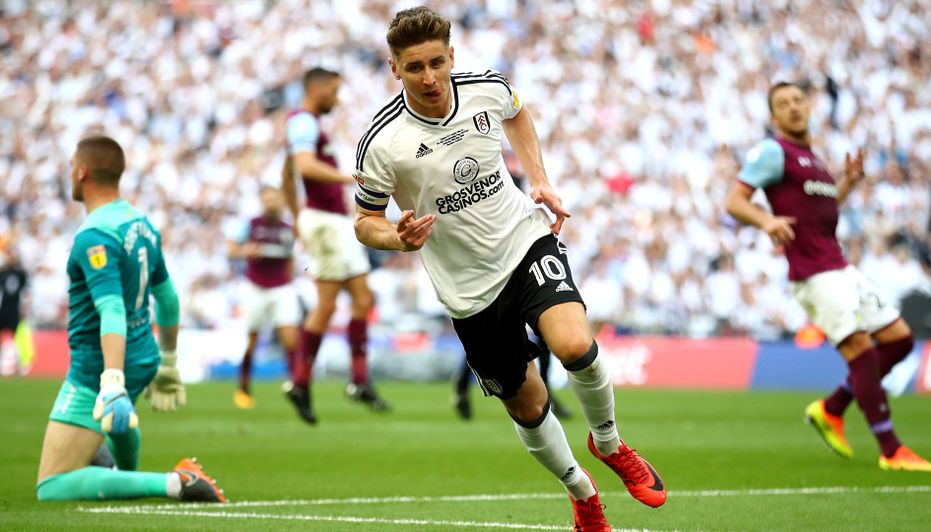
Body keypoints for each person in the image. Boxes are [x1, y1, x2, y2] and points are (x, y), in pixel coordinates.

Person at [352, 7, 666, 530]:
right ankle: (582, 493)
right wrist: (398, 238)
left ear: (452, 57)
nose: (429, 77)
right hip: (469, 290)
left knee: (575, 347)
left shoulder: (488, 88)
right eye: (414, 68)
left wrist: (538, 178)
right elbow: (365, 221)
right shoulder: (382, 142)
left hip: (524, 243)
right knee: (527, 402)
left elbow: (517, 114)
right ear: (395, 69)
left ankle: (609, 444)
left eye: (436, 62)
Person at [725, 82, 931, 472]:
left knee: (899, 340)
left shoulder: (813, 158)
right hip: (814, 274)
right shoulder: (774, 151)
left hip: (840, 268)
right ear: (773, 117)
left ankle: (832, 407)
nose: (793, 108)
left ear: (809, 107)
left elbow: (819, 212)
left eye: (798, 100)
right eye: (783, 104)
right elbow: (735, 201)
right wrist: (766, 219)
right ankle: (892, 450)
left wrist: (848, 184)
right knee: (863, 352)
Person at [35, 135, 226, 502]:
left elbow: (112, 310)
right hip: (143, 354)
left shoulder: (94, 235)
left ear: (82, 171)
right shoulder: (140, 223)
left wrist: (112, 380)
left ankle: (175, 482)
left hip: (101, 363)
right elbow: (167, 297)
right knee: (115, 427)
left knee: (51, 486)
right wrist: (168, 363)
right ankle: (124, 478)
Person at [282, 67, 389, 423]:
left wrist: (298, 216)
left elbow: (287, 174)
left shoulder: (304, 124)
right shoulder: (303, 122)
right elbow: (304, 167)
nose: (336, 97)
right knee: (328, 304)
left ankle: (357, 380)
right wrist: (349, 178)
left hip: (326, 222)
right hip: (327, 223)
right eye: (333, 90)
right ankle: (302, 382)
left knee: (361, 299)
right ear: (316, 88)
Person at [226, 186, 300, 411]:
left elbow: (293, 258)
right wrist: (244, 252)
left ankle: (297, 387)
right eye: (266, 199)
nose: (271, 203)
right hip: (255, 286)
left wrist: (290, 277)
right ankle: (243, 387)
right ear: (261, 201)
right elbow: (231, 249)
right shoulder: (251, 225)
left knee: (290, 338)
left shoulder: (289, 228)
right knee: (252, 339)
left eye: (274, 199)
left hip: (281, 287)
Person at [0, 247, 28, 375]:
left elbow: (26, 292)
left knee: (14, 337)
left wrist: (24, 307)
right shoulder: (2, 273)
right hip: (3, 309)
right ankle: (6, 364)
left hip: (14, 310)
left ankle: (17, 365)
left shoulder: (20, 274)